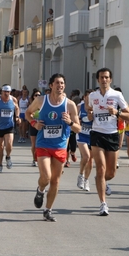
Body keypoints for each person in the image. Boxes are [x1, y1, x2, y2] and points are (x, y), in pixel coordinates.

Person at [25, 73, 81, 222]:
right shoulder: (41, 100)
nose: (60, 85)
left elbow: (78, 129)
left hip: (60, 146)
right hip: (43, 144)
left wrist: (69, 122)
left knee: (55, 181)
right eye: (57, 83)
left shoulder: (70, 105)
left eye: (62, 83)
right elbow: (27, 113)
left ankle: (48, 210)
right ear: (51, 85)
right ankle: (40, 190)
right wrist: (34, 124)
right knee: (46, 177)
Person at [87, 68, 129, 216]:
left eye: (106, 77)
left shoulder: (117, 95)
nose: (104, 80)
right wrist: (90, 113)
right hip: (97, 134)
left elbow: (128, 115)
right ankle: (103, 204)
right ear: (98, 80)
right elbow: (89, 110)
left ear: (110, 80)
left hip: (112, 134)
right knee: (100, 168)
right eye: (101, 77)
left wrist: (116, 112)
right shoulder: (92, 96)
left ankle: (102, 181)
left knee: (110, 172)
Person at [0, 84, 20, 173]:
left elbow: (17, 108)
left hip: (9, 126)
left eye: (8, 92)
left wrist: (17, 116)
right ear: (2, 92)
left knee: (9, 144)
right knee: (0, 147)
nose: (6, 93)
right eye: (5, 92)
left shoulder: (13, 99)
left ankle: (8, 156)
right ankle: (0, 164)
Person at [76, 89, 94, 191]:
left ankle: (86, 180)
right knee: (86, 156)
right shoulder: (79, 107)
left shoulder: (95, 108)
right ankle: (81, 175)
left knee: (90, 161)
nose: (89, 99)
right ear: (84, 98)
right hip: (81, 134)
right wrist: (78, 121)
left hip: (92, 135)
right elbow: (74, 119)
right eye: (87, 97)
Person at [65, 89, 81, 167]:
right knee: (66, 147)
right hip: (65, 131)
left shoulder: (72, 105)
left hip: (72, 128)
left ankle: (73, 153)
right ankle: (67, 161)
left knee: (73, 145)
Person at [29, 89, 42, 167]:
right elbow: (28, 114)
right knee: (34, 144)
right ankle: (34, 159)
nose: (37, 96)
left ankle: (40, 159)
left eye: (39, 95)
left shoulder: (43, 105)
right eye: (36, 95)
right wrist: (32, 116)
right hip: (33, 126)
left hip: (41, 126)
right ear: (33, 97)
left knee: (40, 144)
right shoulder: (32, 106)